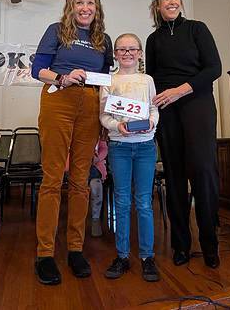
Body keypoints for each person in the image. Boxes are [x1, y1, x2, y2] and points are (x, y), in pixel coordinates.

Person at [31, 0, 113, 285]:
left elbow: (107, 79)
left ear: (97, 7)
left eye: (90, 3)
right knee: (53, 177)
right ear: (71, 6)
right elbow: (37, 69)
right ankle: (45, 253)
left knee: (81, 180)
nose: (85, 8)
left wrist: (107, 116)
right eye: (79, 2)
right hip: (58, 99)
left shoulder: (103, 40)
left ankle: (76, 249)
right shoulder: (56, 30)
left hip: (90, 105)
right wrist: (63, 77)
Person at [146, 0, 222, 269]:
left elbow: (214, 68)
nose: (172, 1)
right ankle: (180, 245)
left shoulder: (197, 29)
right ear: (157, 5)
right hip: (166, 111)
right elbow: (151, 78)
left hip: (197, 104)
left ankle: (209, 243)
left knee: (203, 172)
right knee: (175, 176)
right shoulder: (154, 40)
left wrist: (181, 89)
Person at [100, 33, 160, 282]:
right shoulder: (108, 80)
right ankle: (122, 255)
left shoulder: (147, 79)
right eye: (121, 49)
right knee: (122, 203)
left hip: (146, 146)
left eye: (131, 49)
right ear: (115, 54)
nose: (127, 53)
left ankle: (147, 257)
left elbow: (154, 109)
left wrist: (151, 124)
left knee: (144, 203)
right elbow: (104, 116)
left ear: (139, 53)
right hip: (120, 148)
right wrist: (117, 127)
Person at [89, 139, 107, 237]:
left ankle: (95, 220)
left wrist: (97, 158)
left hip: (95, 166)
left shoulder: (98, 131)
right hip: (75, 164)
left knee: (96, 186)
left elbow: (104, 148)